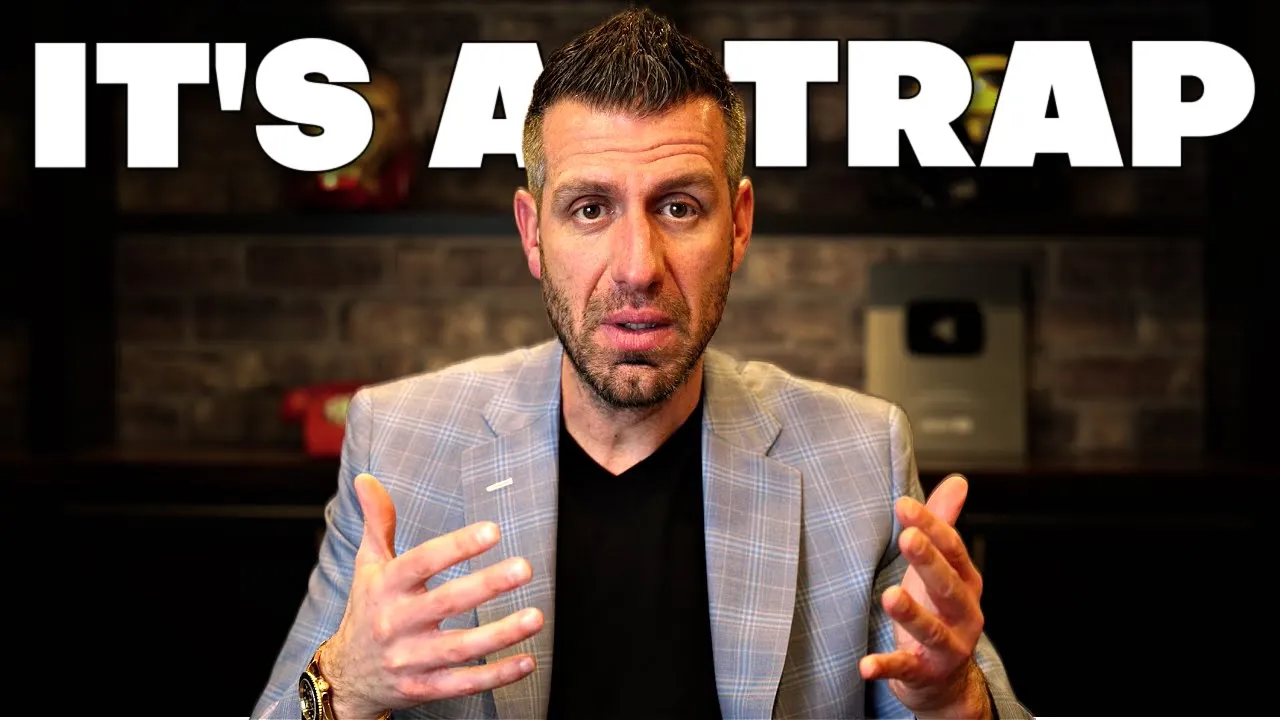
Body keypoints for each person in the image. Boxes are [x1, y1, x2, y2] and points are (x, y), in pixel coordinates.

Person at [252, 8, 1031, 719]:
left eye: (679, 207)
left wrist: (952, 697)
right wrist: (344, 685)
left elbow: (947, 691)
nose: (637, 266)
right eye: (590, 209)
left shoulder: (859, 457)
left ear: (739, 226)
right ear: (532, 233)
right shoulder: (397, 445)